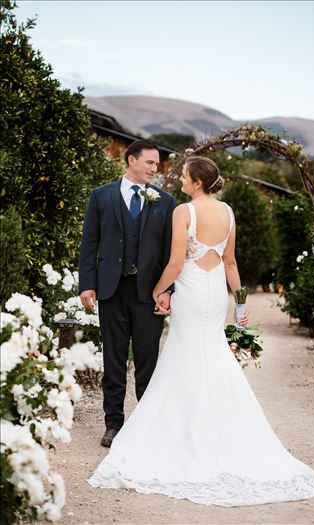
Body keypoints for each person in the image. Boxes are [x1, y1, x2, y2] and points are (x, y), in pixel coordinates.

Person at [88, 156, 314, 506]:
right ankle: (223, 428)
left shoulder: (184, 212)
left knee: (185, 356)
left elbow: (174, 263)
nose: (181, 179)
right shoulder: (228, 213)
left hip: (189, 292)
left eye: (184, 175)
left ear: (196, 182)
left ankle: (183, 431)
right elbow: (230, 263)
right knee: (212, 354)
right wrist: (241, 304)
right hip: (216, 295)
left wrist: (158, 291)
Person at [79, 140, 176, 448]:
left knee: (148, 361)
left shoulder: (165, 201)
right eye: (149, 162)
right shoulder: (101, 196)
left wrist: (167, 290)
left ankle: (146, 425)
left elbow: (169, 252)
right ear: (131, 160)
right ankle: (113, 424)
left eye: (156, 163)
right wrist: (87, 284)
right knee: (114, 359)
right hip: (111, 290)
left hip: (148, 294)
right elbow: (89, 244)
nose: (154, 168)